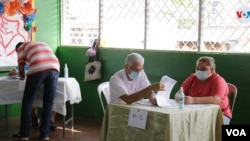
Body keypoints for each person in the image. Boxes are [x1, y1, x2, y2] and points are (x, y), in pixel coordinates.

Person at [12, 41, 60, 140]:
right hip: (55, 67)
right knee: (48, 102)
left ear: (17, 49)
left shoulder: (21, 48)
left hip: (38, 68)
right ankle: (45, 135)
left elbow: (21, 69)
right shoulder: (43, 44)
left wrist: (23, 76)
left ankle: (24, 134)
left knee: (28, 101)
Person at [174, 56, 231, 125]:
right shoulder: (192, 77)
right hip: (195, 113)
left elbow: (216, 100)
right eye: (197, 69)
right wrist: (179, 97)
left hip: (219, 114)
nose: (199, 71)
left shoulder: (218, 80)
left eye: (203, 69)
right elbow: (180, 92)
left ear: (212, 70)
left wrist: (192, 100)